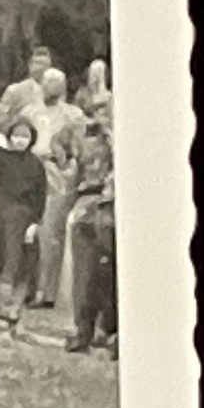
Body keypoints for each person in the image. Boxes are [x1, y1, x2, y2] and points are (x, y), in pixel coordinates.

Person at [0, 114, 46, 328]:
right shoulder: (1, 157)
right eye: (16, 135)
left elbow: (40, 196)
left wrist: (34, 223)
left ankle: (12, 311)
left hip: (23, 220)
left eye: (25, 136)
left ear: (31, 139)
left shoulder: (36, 165)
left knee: (17, 265)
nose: (20, 140)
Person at [28, 66, 86, 309]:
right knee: (29, 231)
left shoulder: (73, 115)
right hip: (31, 170)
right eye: (48, 82)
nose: (52, 87)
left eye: (57, 83)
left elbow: (80, 149)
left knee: (51, 233)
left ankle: (48, 291)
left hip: (58, 174)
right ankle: (29, 287)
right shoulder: (30, 112)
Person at [61, 107, 117, 354]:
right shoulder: (85, 137)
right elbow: (73, 167)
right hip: (89, 204)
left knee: (110, 275)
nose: (101, 116)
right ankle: (83, 330)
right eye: (98, 111)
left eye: (107, 110)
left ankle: (111, 330)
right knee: (85, 273)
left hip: (117, 209)